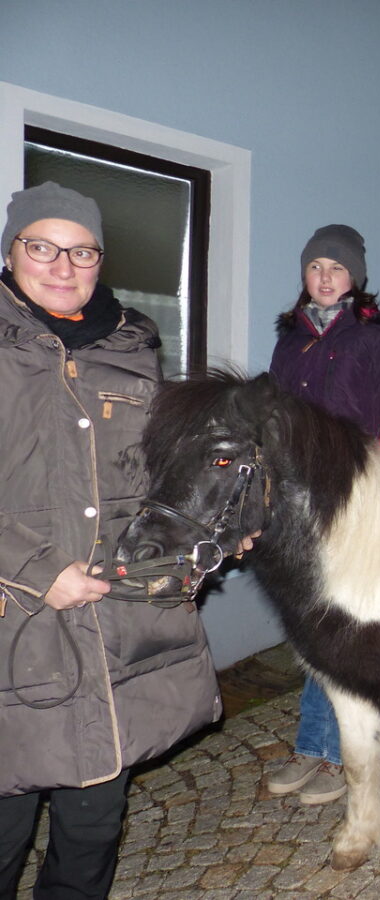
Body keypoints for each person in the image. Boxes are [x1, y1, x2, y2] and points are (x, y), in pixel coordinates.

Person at [0, 182, 221, 899]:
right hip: (17, 626)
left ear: (101, 259)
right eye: (43, 246)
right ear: (12, 251)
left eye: (82, 251)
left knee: (93, 828)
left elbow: (160, 473)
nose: (62, 265)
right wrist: (36, 569)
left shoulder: (134, 343)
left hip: (114, 626)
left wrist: (204, 531)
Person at [265, 224, 380, 805]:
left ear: (355, 279)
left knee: (340, 622)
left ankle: (332, 752)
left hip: (354, 495)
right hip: (299, 498)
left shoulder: (375, 338)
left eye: (336, 268)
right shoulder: (290, 340)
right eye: (315, 267)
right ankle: (312, 744)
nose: (324, 278)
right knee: (311, 621)